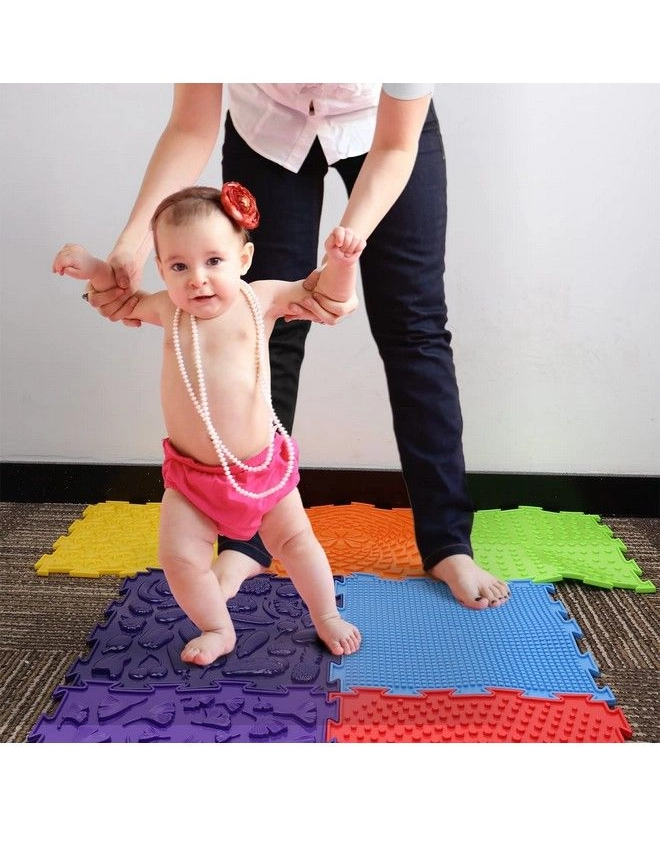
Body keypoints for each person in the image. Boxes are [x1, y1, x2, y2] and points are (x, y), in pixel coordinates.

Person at [82, 83, 510, 610]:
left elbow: (397, 147)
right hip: (269, 127)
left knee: (415, 330)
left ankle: (448, 543)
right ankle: (246, 540)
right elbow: (192, 124)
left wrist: (345, 247)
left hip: (382, 128)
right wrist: (132, 245)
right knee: (260, 325)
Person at [53, 183, 363, 666]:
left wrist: (342, 265)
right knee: (179, 559)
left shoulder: (259, 299)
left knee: (299, 544)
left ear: (244, 258)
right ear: (162, 270)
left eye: (213, 261)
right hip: (192, 480)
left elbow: (322, 293)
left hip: (261, 470)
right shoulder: (166, 308)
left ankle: (326, 616)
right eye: (179, 266)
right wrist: (94, 268)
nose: (197, 279)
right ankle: (218, 626)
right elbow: (119, 297)